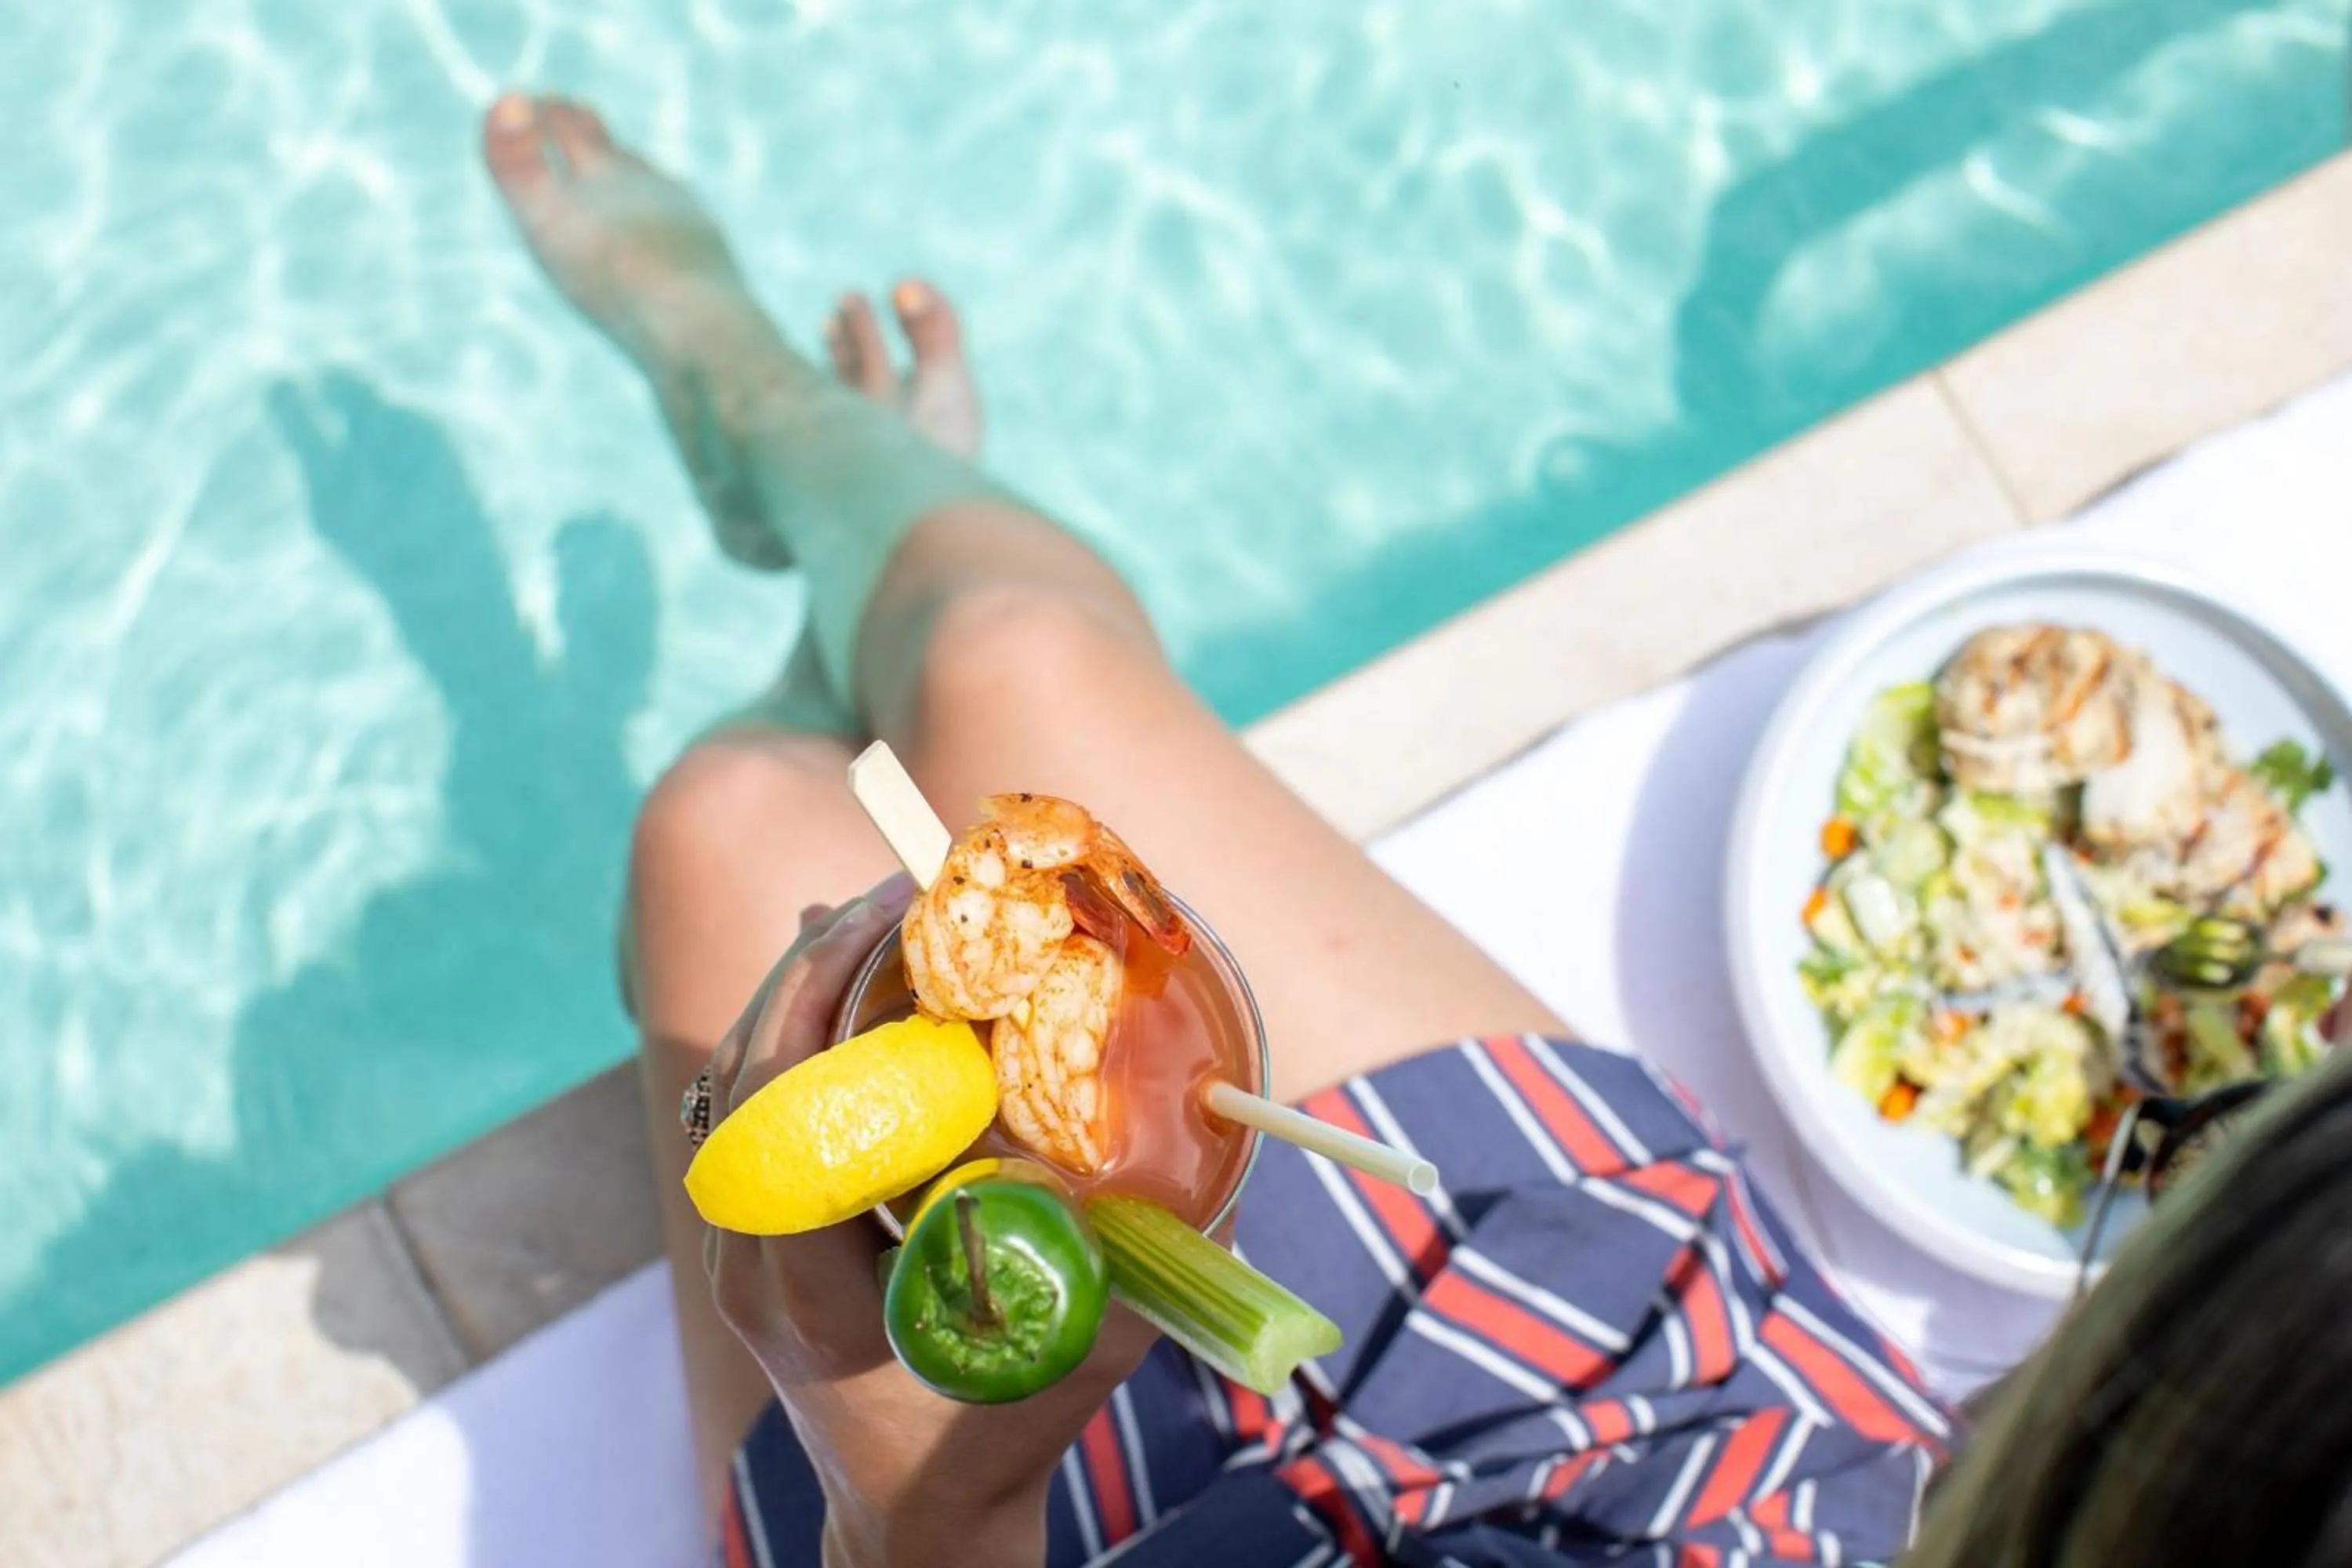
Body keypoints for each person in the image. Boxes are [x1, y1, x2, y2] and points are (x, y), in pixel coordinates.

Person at [482, 92, 1947, 1566]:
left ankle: (853, 521)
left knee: (713, 817)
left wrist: (920, 1515)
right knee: (1004, 651)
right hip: (1617, 1430)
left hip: (1009, 1518)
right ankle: (787, 431)